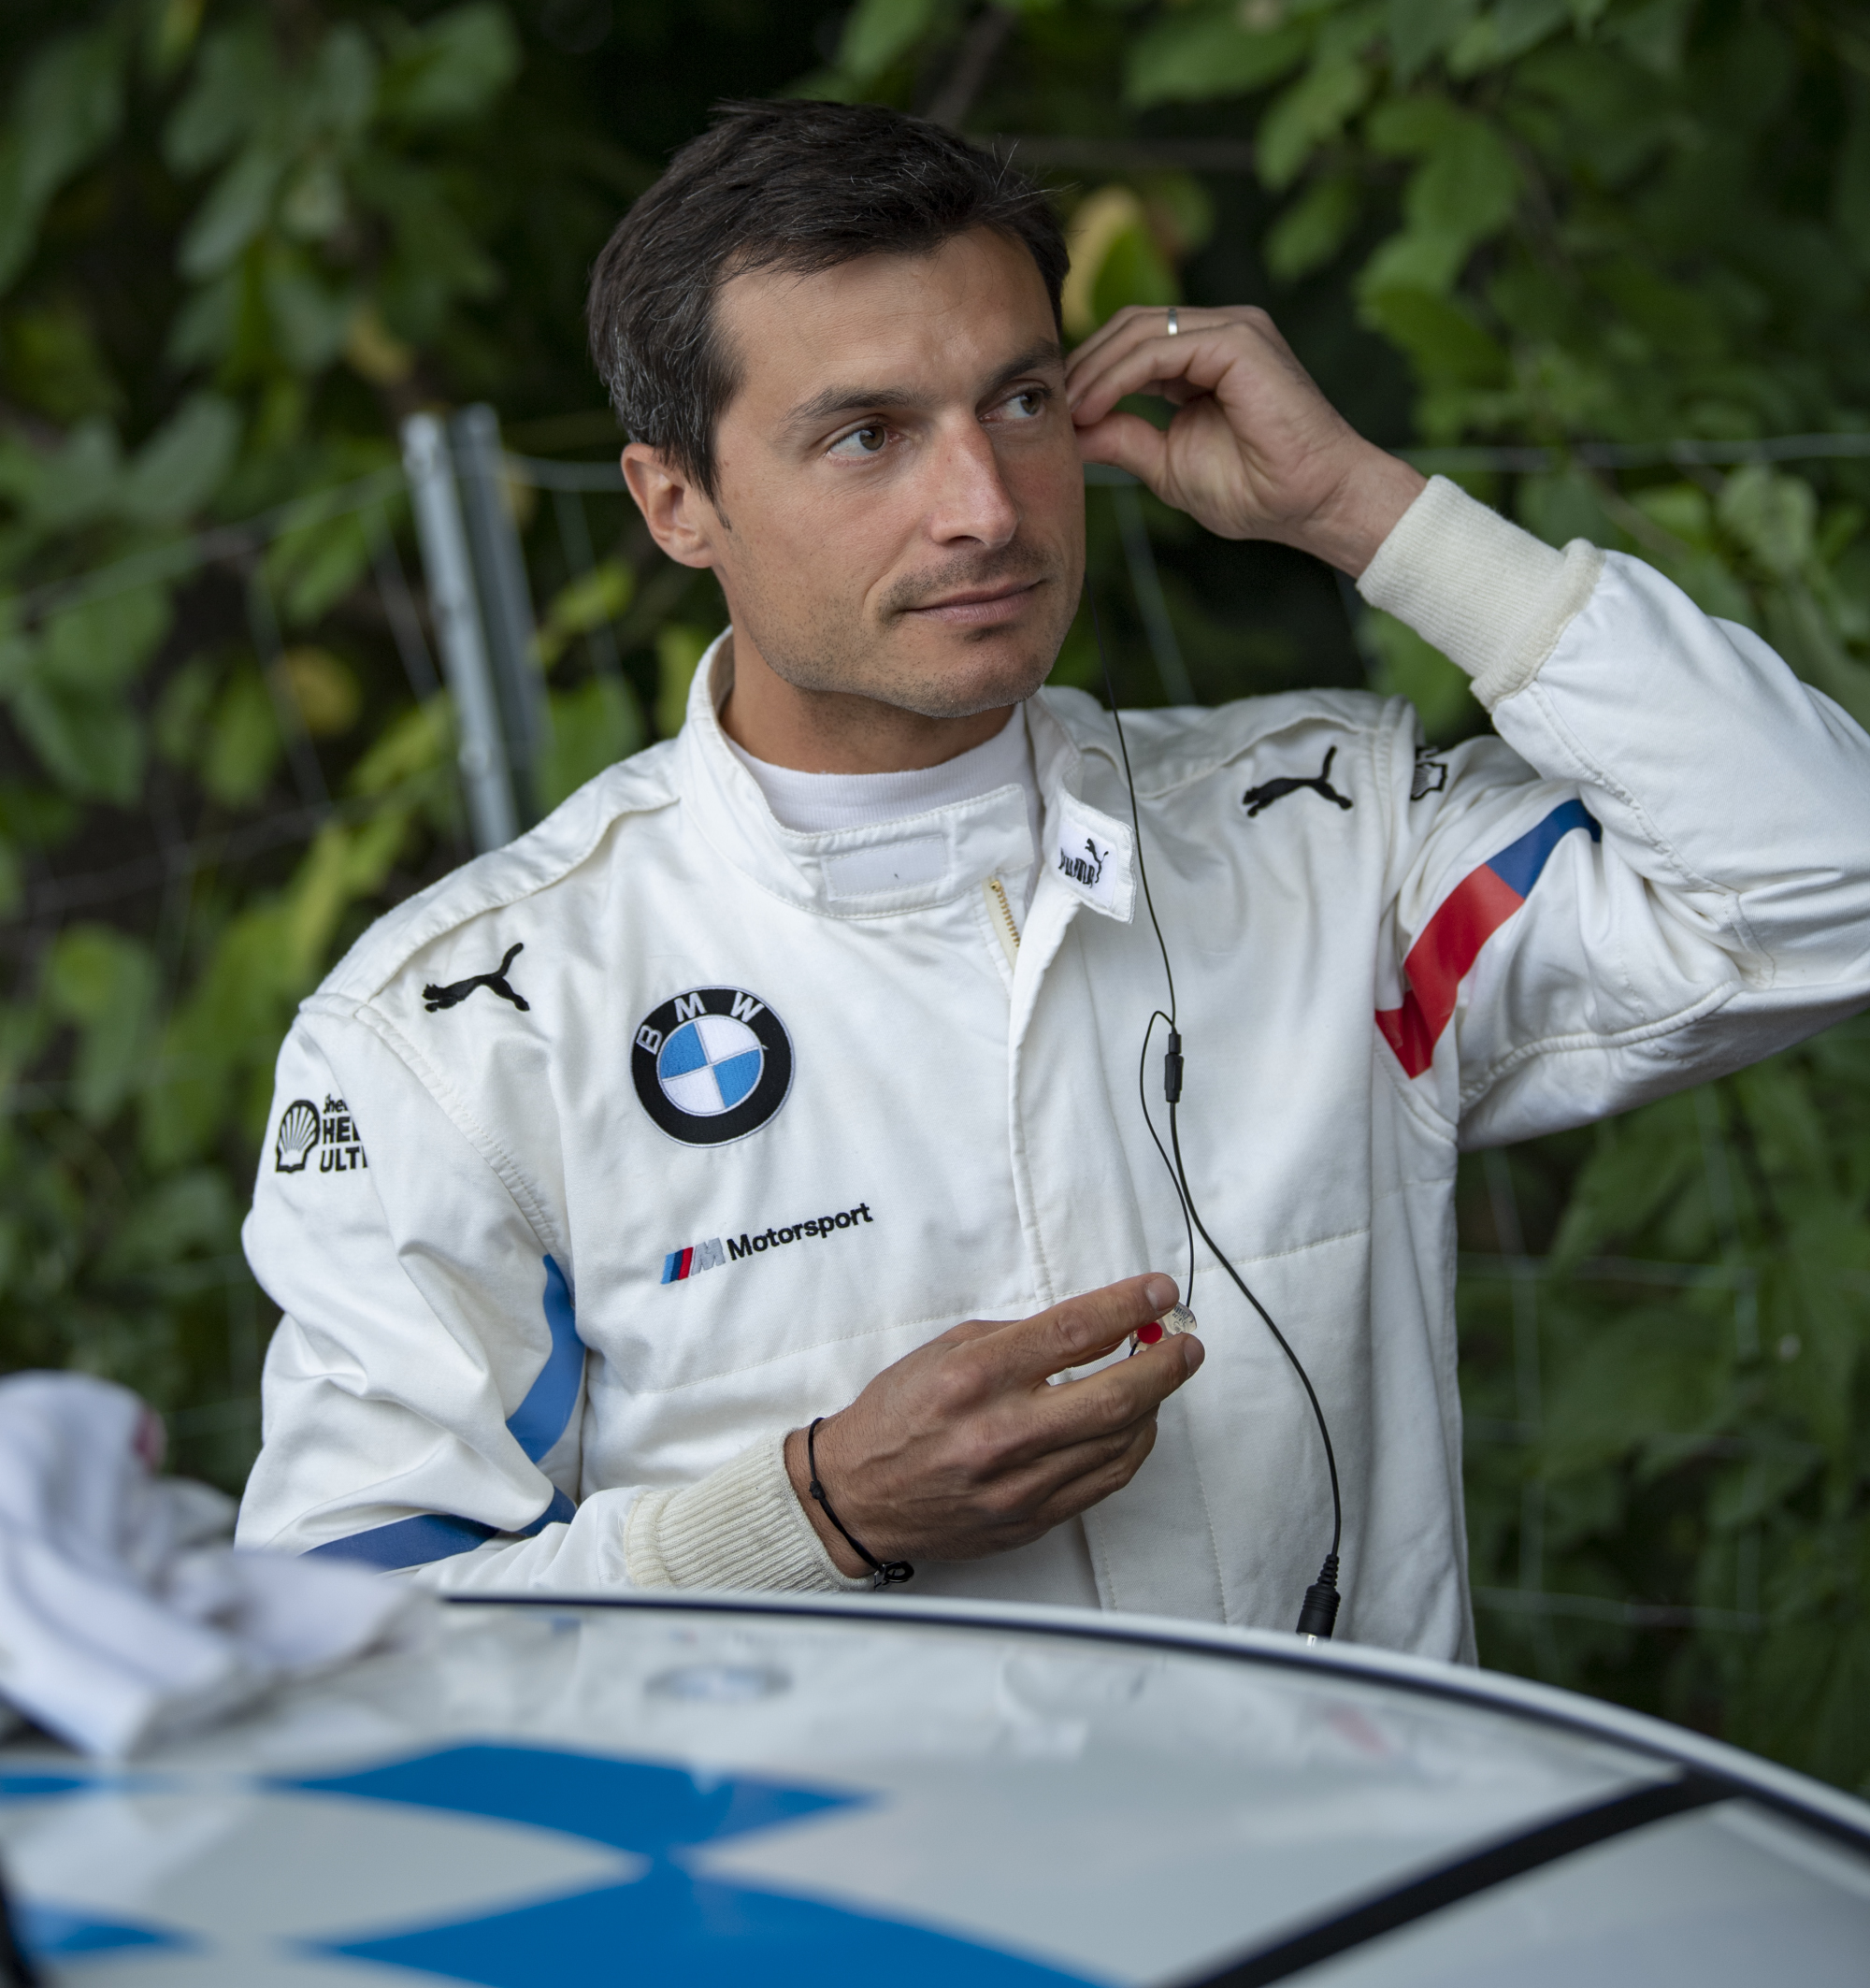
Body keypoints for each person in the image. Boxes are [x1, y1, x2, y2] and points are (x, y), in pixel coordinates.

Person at [237, 101, 1870, 1657]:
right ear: (677, 502)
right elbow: (332, 1633)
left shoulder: (1321, 840)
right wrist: (807, 1516)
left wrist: (1369, 514)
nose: (983, 508)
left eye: (1020, 405)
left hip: (1366, 1855)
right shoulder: (459, 1037)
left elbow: (1828, 884)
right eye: (867, 435)